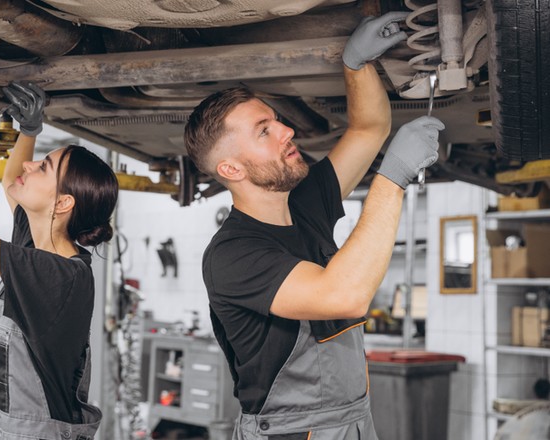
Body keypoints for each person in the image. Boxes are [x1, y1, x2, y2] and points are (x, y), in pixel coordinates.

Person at [183, 12, 444, 440]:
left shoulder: (304, 205)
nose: (287, 130)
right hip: (291, 432)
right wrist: (393, 176)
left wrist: (355, 65)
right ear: (230, 168)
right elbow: (343, 295)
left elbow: (369, 129)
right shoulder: (232, 255)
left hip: (354, 420)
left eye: (276, 120)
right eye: (264, 131)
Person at [0, 73, 118, 440]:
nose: (30, 167)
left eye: (44, 168)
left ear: (64, 203)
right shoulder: (38, 246)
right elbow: (12, 181)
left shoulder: (60, 277)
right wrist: (30, 129)